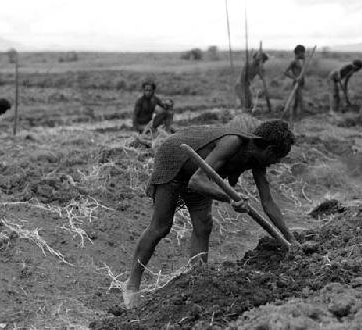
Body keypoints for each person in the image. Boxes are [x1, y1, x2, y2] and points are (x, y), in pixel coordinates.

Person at [124, 120, 296, 308]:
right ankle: (132, 286)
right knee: (161, 226)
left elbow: (268, 203)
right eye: (279, 157)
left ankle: (196, 279)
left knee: (204, 224)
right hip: (174, 161)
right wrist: (231, 198)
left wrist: (291, 241)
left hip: (198, 174)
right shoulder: (233, 142)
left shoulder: (257, 161)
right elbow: (197, 181)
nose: (276, 163)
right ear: (270, 150)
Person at [284, 45, 306, 118]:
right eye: (303, 52)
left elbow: (302, 71)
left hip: (301, 83)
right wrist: (295, 78)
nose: (304, 54)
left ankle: (293, 115)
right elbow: (285, 72)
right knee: (300, 100)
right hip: (297, 84)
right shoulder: (294, 62)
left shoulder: (302, 61)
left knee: (296, 100)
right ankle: (302, 117)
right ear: (298, 53)